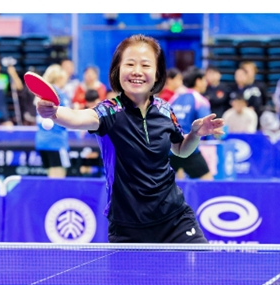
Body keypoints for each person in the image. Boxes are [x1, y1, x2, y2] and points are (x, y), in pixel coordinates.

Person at [35, 34, 223, 243]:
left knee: (202, 264)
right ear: (118, 70)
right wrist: (54, 112)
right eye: (130, 64)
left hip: (175, 218)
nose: (137, 71)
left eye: (145, 65)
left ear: (157, 73)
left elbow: (181, 149)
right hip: (128, 226)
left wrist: (195, 134)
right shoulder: (108, 111)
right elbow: (77, 117)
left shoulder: (165, 110)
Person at [169, 67, 213, 180]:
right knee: (208, 181)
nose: (206, 83)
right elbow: (206, 125)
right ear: (198, 81)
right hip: (188, 147)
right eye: (204, 80)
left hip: (170, 147)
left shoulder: (174, 98)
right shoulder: (200, 100)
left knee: (177, 181)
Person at [35, 64, 72, 178]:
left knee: (50, 176)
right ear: (59, 78)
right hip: (56, 141)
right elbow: (68, 117)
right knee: (59, 177)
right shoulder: (59, 95)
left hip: (42, 141)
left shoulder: (41, 94)